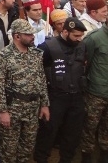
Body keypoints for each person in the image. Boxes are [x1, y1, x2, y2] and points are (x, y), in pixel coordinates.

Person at [0, 19, 50, 163]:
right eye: (29, 35)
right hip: (13, 109)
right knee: (9, 151)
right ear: (17, 36)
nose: (33, 37)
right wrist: (2, 111)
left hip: (32, 108)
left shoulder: (36, 54)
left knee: (27, 148)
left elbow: (41, 79)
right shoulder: (4, 56)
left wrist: (44, 104)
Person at [34, 18, 87, 163]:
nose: (79, 39)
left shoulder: (82, 46)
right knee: (48, 132)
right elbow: (37, 72)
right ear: (65, 31)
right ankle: (41, 158)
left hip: (76, 96)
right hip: (55, 96)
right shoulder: (48, 47)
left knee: (72, 134)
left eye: (80, 36)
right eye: (75, 35)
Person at [80, 17, 108, 162]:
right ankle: (86, 154)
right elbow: (86, 62)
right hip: (96, 91)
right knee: (90, 125)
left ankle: (104, 154)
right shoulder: (94, 38)